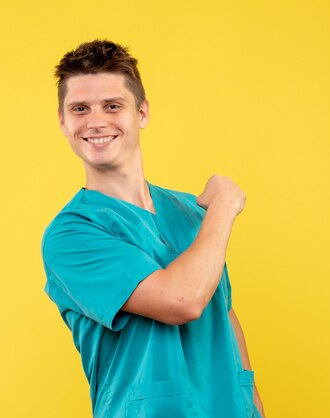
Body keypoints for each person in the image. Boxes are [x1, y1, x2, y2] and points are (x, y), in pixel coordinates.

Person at [41, 39, 264, 418]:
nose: (96, 121)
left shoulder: (193, 213)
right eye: (80, 109)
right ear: (63, 121)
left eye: (113, 106)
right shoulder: (72, 235)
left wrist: (253, 405)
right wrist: (225, 205)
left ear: (141, 112)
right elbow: (183, 300)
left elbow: (224, 314)